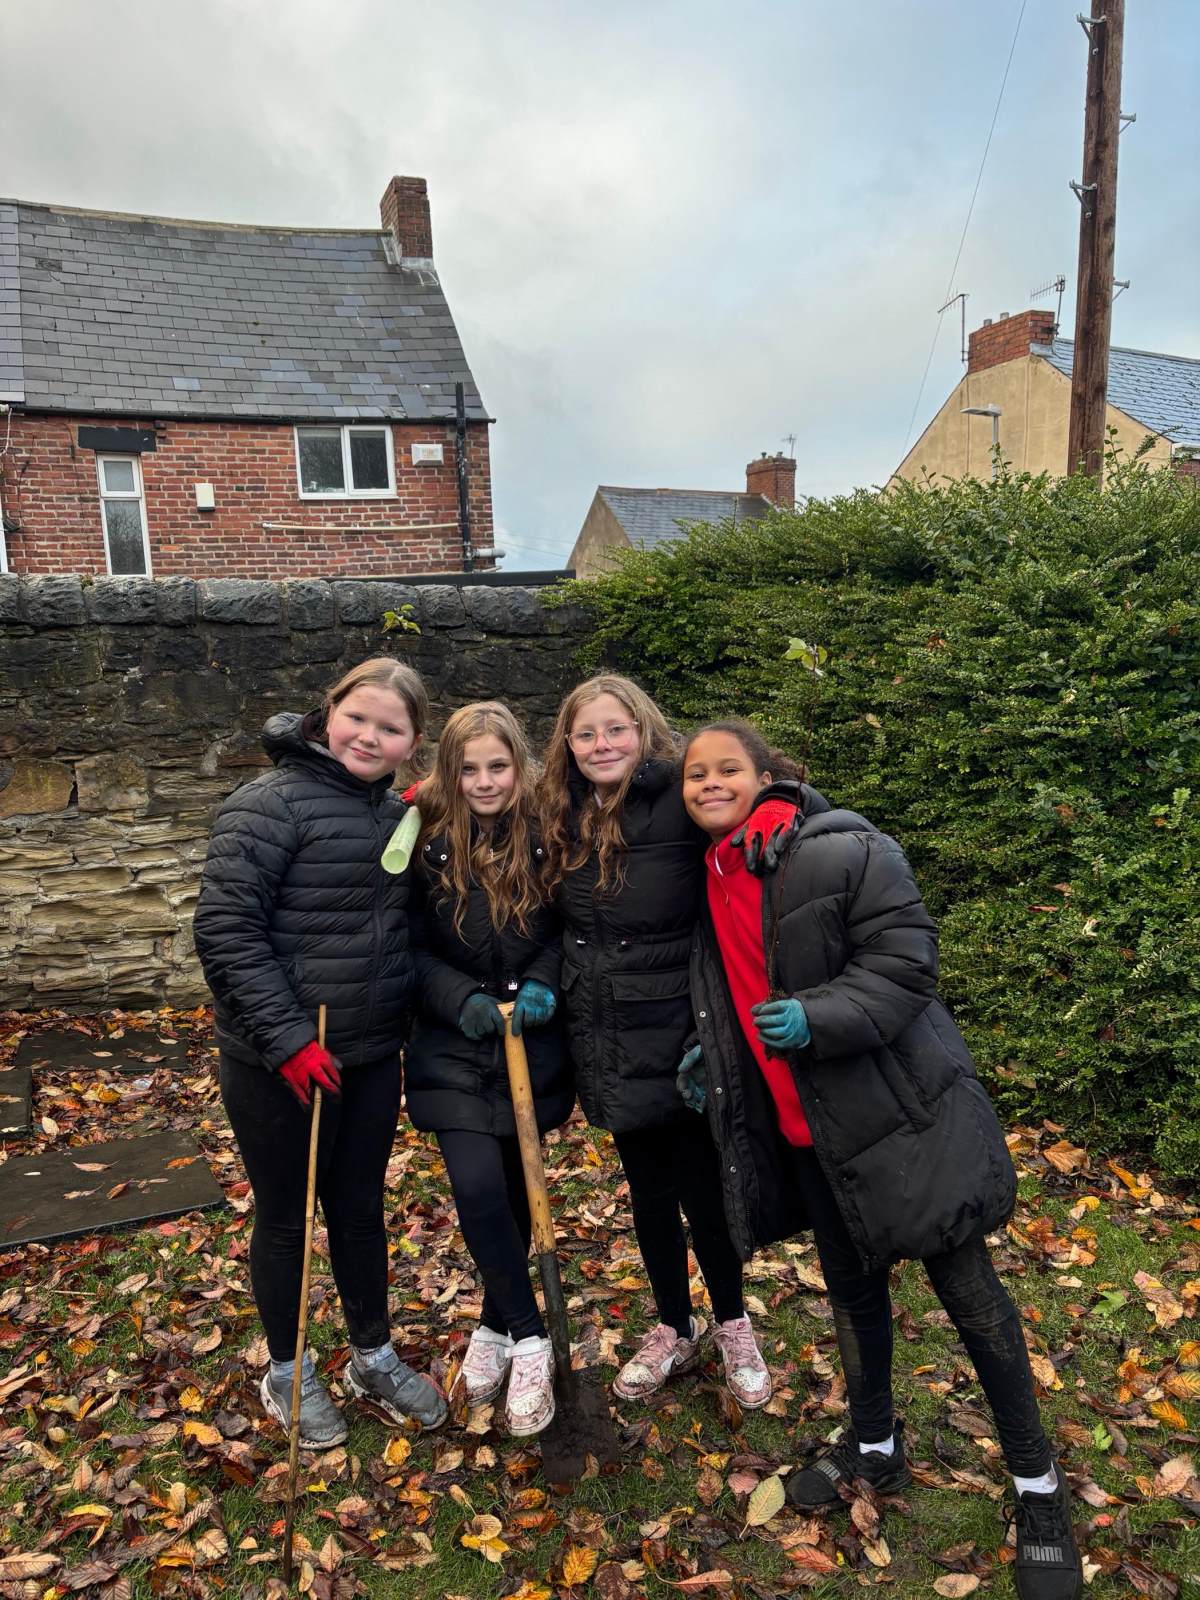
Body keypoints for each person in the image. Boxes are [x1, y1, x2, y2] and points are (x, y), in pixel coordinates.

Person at [679, 719, 1083, 1600]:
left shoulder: (841, 847)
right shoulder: (711, 874)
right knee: (853, 1295)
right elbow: (735, 987)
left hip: (900, 1121)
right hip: (809, 1136)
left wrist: (817, 1016)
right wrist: (713, 1055)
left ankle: (1038, 1486)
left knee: (971, 1300)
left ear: (765, 774)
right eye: (694, 774)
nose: (708, 783)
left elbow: (906, 965)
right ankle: (875, 1447)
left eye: (727, 769)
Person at [193, 657, 447, 1450]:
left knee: (360, 1209)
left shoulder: (401, 816)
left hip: (369, 1054)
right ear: (327, 712)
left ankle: (373, 1355)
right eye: (357, 717)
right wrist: (289, 1041)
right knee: (285, 1218)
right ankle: (286, 1369)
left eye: (390, 727)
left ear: (412, 742)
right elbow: (226, 932)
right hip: (281, 1064)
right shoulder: (266, 804)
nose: (369, 736)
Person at [539, 675, 772, 1409]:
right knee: (648, 1192)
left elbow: (766, 796)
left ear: (642, 730)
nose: (602, 744)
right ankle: (674, 1324)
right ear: (568, 743)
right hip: (606, 1035)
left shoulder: (679, 795)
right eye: (586, 733)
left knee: (703, 1189)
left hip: (683, 1030)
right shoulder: (558, 809)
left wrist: (780, 810)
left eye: (616, 729)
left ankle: (733, 1322)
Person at [405, 702, 573, 1436]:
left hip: (528, 1046)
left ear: (519, 765)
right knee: (476, 1188)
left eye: (497, 766)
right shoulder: (423, 841)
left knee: (509, 1192)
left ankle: (494, 1324)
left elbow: (571, 927)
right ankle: (532, 1337)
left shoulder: (550, 833)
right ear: (449, 771)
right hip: (453, 1044)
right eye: (469, 768)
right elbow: (407, 945)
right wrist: (458, 998)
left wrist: (543, 980)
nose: (484, 782)